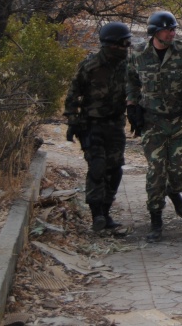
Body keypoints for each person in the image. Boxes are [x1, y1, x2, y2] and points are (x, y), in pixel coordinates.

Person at [126, 11, 182, 243]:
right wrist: (132, 106)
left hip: (180, 122)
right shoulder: (139, 54)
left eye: (174, 29)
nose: (172, 33)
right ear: (155, 32)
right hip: (153, 122)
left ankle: (175, 191)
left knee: (179, 171)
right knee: (155, 171)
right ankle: (156, 220)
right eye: (168, 29)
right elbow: (131, 81)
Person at [64, 22, 132, 231]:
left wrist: (137, 115)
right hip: (91, 125)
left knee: (115, 170)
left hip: (115, 126)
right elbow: (73, 94)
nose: (126, 48)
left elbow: (135, 93)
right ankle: (97, 215)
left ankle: (106, 209)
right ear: (111, 44)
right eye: (123, 44)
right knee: (97, 168)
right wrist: (73, 122)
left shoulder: (126, 67)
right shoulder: (90, 66)